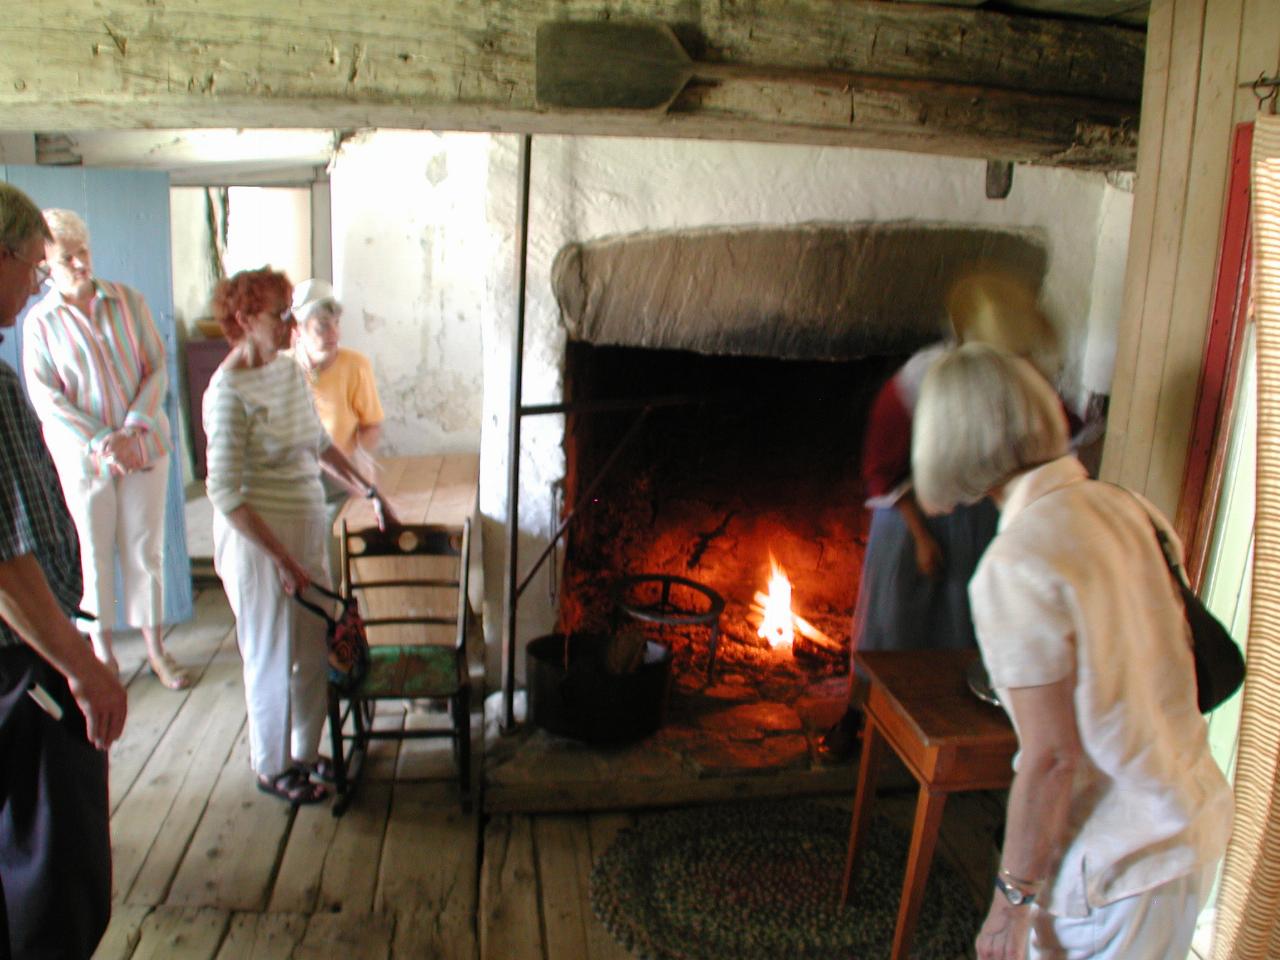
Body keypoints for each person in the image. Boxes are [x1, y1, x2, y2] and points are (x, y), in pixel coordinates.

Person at [912, 343, 1232, 960]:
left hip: (1114, 864)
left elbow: (1052, 758)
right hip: (1184, 827)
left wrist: (1010, 906)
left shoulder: (1015, 564)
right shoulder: (1127, 506)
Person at [821, 271, 1056, 759]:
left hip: (978, 521)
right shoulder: (919, 381)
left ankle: (946, 740)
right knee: (890, 627)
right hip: (913, 519)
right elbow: (881, 468)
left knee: (959, 632)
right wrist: (922, 537)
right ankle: (856, 720)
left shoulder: (1020, 387)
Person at [204, 267, 396, 805]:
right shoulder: (226, 392)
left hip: (306, 524)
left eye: (292, 310)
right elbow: (225, 493)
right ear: (243, 319)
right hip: (259, 541)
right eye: (278, 313)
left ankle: (306, 753)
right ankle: (272, 765)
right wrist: (283, 559)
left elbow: (317, 442)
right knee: (269, 652)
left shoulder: (287, 373)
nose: (291, 323)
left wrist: (368, 490)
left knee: (314, 645)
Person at [0, 183, 128, 958]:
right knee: (57, 863)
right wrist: (81, 668)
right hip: (23, 664)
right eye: (32, 269)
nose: (35, 287)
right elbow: (8, 564)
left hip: (28, 650)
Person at [22, 208, 190, 690]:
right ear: (46, 265)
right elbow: (46, 396)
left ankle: (157, 649)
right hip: (84, 457)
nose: (79, 265)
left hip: (144, 449)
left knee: (145, 551)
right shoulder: (41, 322)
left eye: (84, 253)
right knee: (92, 554)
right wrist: (102, 439)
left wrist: (133, 429)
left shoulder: (128, 301)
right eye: (66, 258)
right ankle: (103, 655)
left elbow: (156, 367)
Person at [289, 278, 386, 560]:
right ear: (298, 331)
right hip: (296, 479)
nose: (334, 334)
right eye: (322, 325)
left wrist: (359, 457)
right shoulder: (284, 370)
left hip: (340, 479)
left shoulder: (354, 365)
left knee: (333, 544)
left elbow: (371, 425)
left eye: (336, 323)